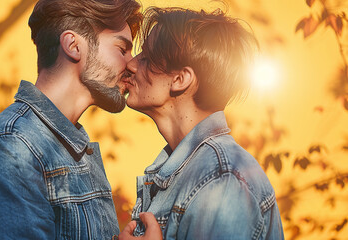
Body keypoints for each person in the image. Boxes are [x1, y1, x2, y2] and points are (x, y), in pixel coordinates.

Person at [0, 0, 143, 238]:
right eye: (122, 49)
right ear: (73, 45)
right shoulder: (12, 148)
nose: (132, 64)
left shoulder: (67, 146)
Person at [119, 7, 284, 239]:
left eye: (146, 58)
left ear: (179, 79)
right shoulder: (193, 172)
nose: (132, 65)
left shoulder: (220, 180)